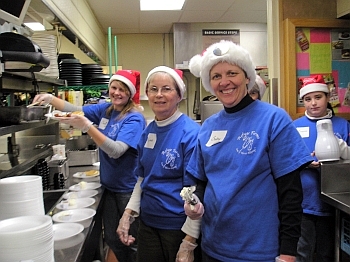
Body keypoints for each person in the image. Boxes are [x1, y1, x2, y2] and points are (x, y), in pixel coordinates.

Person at [182, 40, 314, 262]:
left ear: (246, 77)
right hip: (213, 246)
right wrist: (193, 203)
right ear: (209, 83)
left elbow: (291, 192)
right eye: (216, 76)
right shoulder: (209, 127)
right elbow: (201, 182)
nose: (225, 82)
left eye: (232, 73)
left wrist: (288, 252)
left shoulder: (273, 119)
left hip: (259, 251)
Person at [33, 70, 146, 262]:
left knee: (132, 240)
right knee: (112, 238)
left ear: (130, 93)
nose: (117, 93)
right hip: (109, 187)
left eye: (122, 90)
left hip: (128, 189)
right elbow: (74, 108)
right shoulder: (105, 110)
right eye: (114, 87)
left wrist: (87, 127)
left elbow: (116, 150)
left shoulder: (134, 118)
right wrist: (50, 98)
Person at [116, 66, 201, 262]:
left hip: (177, 226)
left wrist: (189, 241)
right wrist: (128, 214)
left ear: (179, 95)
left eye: (166, 89)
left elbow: (195, 191)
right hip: (148, 223)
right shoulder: (148, 131)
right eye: (153, 89)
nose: (159, 95)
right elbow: (143, 177)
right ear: (147, 94)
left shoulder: (190, 134)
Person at [293, 82, 350, 262]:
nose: (313, 103)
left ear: (327, 98)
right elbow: (285, 158)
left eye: (318, 97)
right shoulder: (294, 126)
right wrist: (305, 162)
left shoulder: (342, 125)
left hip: (334, 204)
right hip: (304, 201)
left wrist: (340, 152)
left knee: (328, 253)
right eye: (308, 99)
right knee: (302, 251)